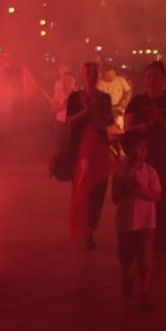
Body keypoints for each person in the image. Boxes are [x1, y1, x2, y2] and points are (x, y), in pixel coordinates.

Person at [124, 61, 166, 257]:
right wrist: (146, 125)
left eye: (156, 77)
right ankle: (145, 245)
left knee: (165, 197)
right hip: (143, 158)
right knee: (143, 198)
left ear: (165, 80)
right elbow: (128, 128)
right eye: (148, 77)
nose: (152, 81)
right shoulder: (137, 102)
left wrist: (160, 120)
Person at [67, 61, 114, 249]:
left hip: (99, 148)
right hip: (80, 149)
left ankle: (91, 228)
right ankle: (83, 227)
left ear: (99, 75)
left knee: (98, 188)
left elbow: (106, 122)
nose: (91, 75)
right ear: (82, 74)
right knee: (82, 188)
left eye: (95, 72)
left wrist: (94, 109)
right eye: (88, 72)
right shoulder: (74, 97)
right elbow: (70, 121)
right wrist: (86, 110)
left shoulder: (105, 98)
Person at [112, 134, 161, 310]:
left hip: (146, 222)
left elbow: (156, 196)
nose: (142, 152)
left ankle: (144, 293)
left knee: (145, 257)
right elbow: (115, 198)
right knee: (126, 255)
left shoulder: (151, 172)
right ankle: (127, 278)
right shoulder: (120, 173)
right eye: (138, 148)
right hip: (126, 222)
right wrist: (126, 187)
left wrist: (142, 191)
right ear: (128, 150)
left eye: (145, 148)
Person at [97, 65, 132, 131]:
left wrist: (123, 105)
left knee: (120, 128)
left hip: (119, 109)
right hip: (107, 112)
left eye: (112, 74)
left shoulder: (121, 80)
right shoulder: (100, 83)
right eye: (108, 75)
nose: (110, 77)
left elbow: (128, 92)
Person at [51, 67, 77, 153]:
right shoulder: (59, 93)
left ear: (74, 80)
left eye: (70, 79)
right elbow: (53, 108)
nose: (68, 81)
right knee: (60, 146)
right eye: (66, 80)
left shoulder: (79, 93)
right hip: (61, 123)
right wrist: (64, 105)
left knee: (73, 145)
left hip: (74, 123)